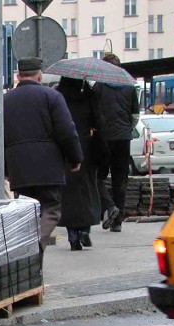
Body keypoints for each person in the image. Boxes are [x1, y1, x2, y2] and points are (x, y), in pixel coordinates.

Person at [0, 57, 83, 251]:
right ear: (39, 75)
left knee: (27, 211)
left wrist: (4, 168)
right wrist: (76, 158)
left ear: (18, 76)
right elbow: (67, 130)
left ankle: (27, 258)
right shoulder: (52, 96)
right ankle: (35, 247)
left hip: (19, 168)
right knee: (51, 208)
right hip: (48, 166)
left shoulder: (4, 100)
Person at [93, 52, 140, 233]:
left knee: (97, 176)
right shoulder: (129, 87)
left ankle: (109, 207)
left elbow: (94, 114)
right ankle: (118, 221)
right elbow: (135, 115)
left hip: (103, 139)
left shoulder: (98, 87)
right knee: (120, 180)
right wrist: (126, 128)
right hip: (123, 138)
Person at [55, 76, 104, 251]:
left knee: (68, 193)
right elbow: (98, 120)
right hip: (86, 146)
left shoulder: (57, 96)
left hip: (64, 148)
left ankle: (72, 236)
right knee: (88, 189)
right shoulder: (89, 95)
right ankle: (85, 229)